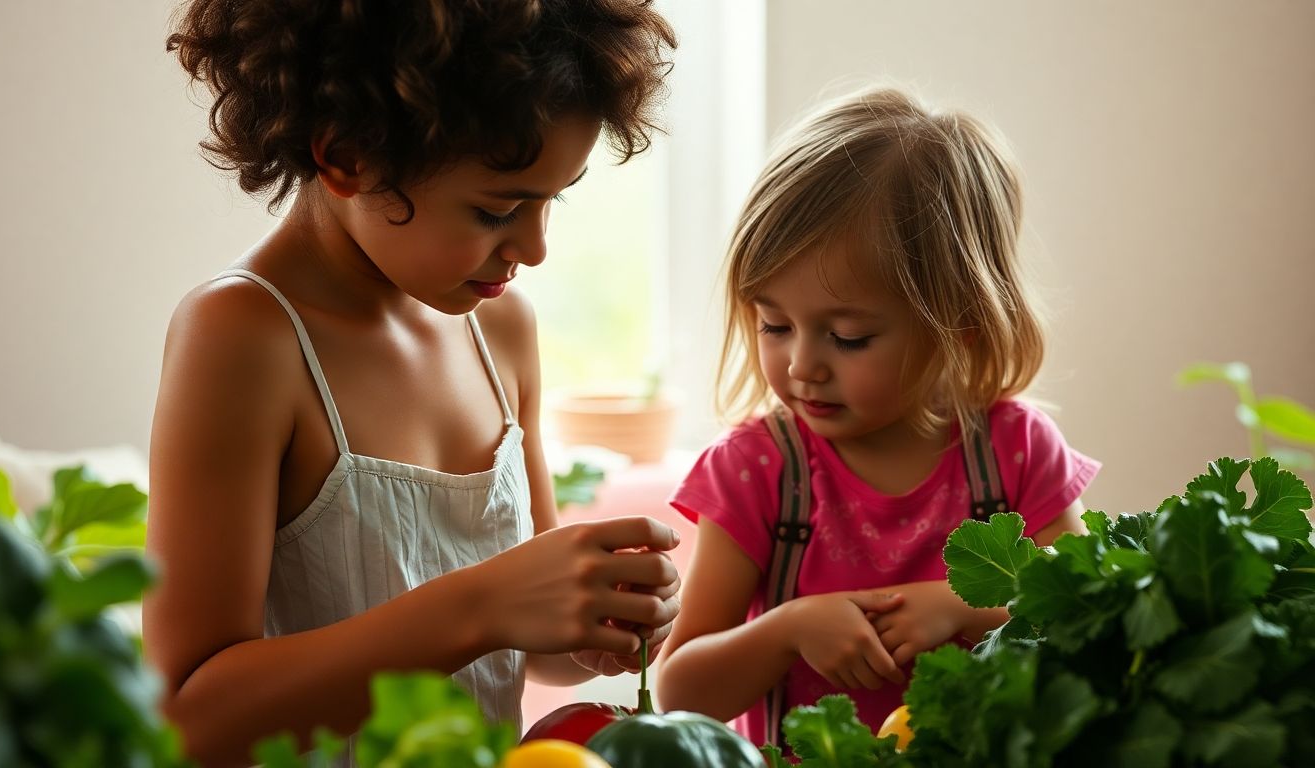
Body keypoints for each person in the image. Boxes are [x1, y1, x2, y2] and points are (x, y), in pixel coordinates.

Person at [145, 2, 680, 765]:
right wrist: (483, 605)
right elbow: (187, 719)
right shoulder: (245, 336)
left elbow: (530, 645)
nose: (534, 247)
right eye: (498, 208)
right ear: (349, 157)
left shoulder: (500, 331)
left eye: (553, 198)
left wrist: (604, 617)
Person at [656, 86, 1100, 747]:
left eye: (849, 337)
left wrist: (964, 607)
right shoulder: (759, 469)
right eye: (774, 324)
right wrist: (788, 630)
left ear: (963, 327)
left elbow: (1090, 623)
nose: (802, 365)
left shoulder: (1016, 450)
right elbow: (679, 693)